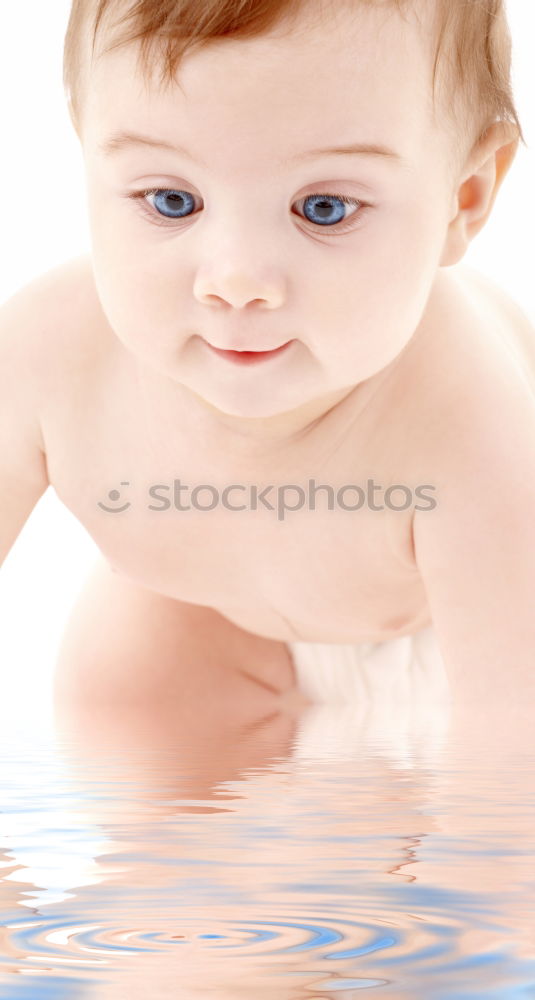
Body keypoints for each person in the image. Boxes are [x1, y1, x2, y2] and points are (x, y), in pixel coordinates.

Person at [1, 0, 534, 733]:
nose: (236, 279)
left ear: (463, 198)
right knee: (117, 701)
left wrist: (482, 839)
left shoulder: (473, 421)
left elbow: (512, 748)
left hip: (468, 637)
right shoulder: (44, 356)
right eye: (172, 199)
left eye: (322, 208)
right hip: (217, 616)